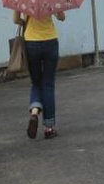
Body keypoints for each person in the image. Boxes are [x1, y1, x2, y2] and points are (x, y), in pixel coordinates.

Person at [13, 9, 65, 139]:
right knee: (48, 84)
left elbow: (16, 20)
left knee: (36, 83)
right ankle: (49, 128)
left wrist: (26, 20)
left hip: (31, 42)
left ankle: (35, 111)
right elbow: (61, 17)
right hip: (50, 41)